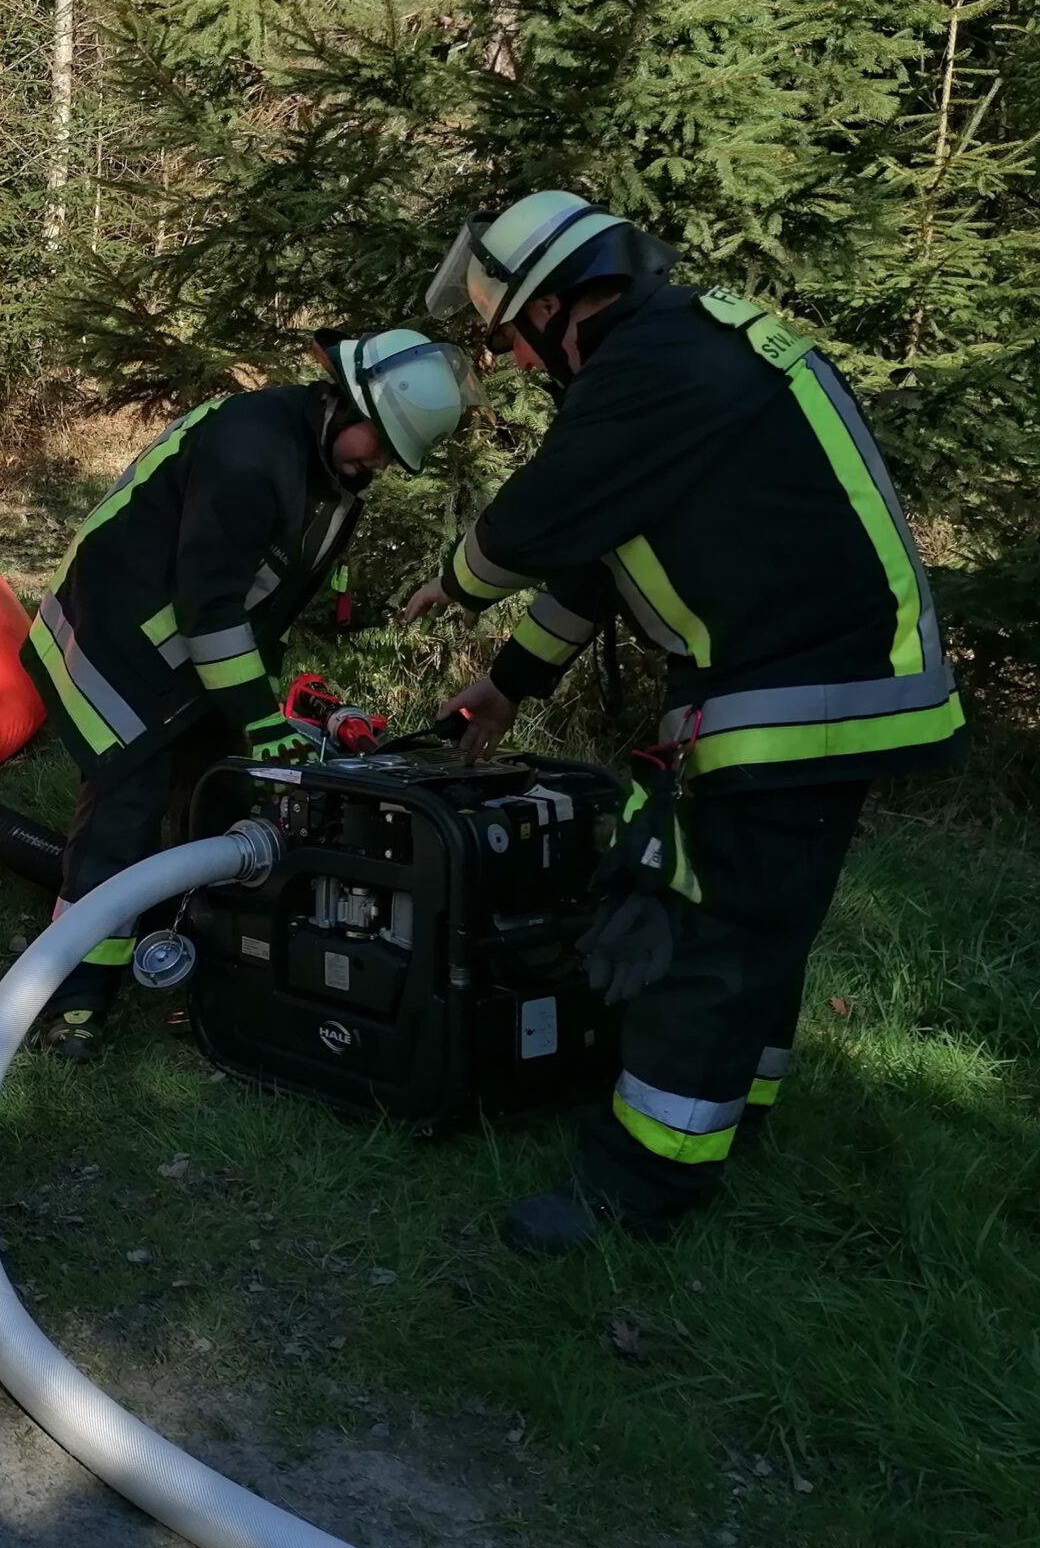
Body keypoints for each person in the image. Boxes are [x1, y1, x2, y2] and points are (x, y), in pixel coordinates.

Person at [402, 190, 967, 1253]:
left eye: (512, 336)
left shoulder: (656, 364)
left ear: (558, 305)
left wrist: (459, 578)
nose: (516, 361)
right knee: (761, 925)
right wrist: (507, 683)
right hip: (822, 678)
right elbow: (600, 560)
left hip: (793, 684)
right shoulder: (684, 347)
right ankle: (726, 1114)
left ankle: (636, 1185)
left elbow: (541, 518)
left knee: (702, 932)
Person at [24, 328, 475, 1059]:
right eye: (379, 444)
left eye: (394, 456)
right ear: (345, 402)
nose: (380, 464)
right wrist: (258, 719)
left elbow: (260, 599)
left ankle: (202, 962)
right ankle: (76, 1000)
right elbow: (210, 605)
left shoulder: (325, 461)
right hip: (121, 642)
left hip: (200, 651)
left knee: (220, 798)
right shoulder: (250, 451)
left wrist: (252, 714)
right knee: (124, 811)